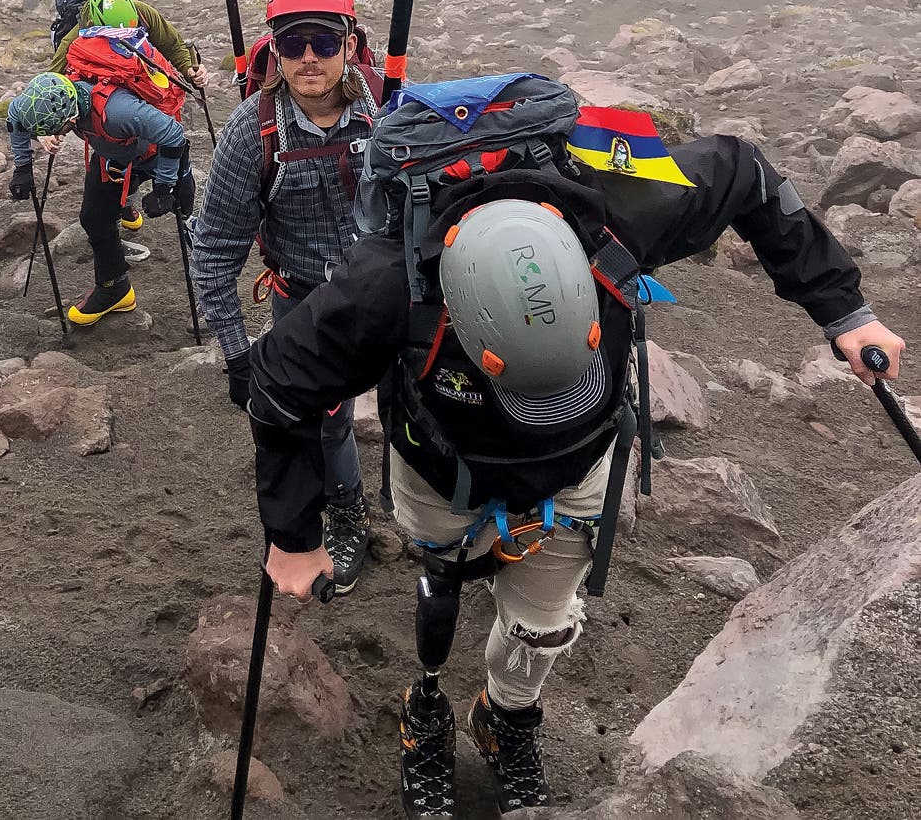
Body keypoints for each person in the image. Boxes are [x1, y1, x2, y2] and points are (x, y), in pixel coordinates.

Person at [247, 78, 907, 817]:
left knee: (543, 622)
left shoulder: (621, 209)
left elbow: (745, 172)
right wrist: (292, 536)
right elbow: (276, 385)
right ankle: (426, 700)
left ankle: (506, 715)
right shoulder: (387, 282)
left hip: (579, 462)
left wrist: (843, 307)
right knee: (442, 570)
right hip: (441, 465)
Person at [191, 0, 381, 594]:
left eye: (323, 41)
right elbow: (215, 248)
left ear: (349, 44)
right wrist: (237, 354)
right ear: (273, 48)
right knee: (324, 420)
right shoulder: (254, 133)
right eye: (291, 42)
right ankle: (347, 514)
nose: (308, 58)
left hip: (383, 292)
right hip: (301, 300)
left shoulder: (386, 115)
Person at [7, 66, 192, 326]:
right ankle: (115, 288)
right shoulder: (40, 100)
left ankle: (210, 291)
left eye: (57, 130)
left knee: (186, 214)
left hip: (157, 155)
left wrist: (163, 188)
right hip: (114, 155)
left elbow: (173, 134)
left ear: (71, 119)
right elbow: (15, 116)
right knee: (94, 219)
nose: (56, 136)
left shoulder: (118, 112)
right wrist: (23, 168)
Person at [49, 0, 206, 232]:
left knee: (170, 165)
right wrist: (49, 129)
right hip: (113, 118)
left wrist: (190, 70)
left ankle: (187, 220)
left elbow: (174, 44)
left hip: (147, 111)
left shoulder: (143, 13)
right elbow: (53, 80)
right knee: (121, 170)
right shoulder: (77, 34)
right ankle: (124, 208)